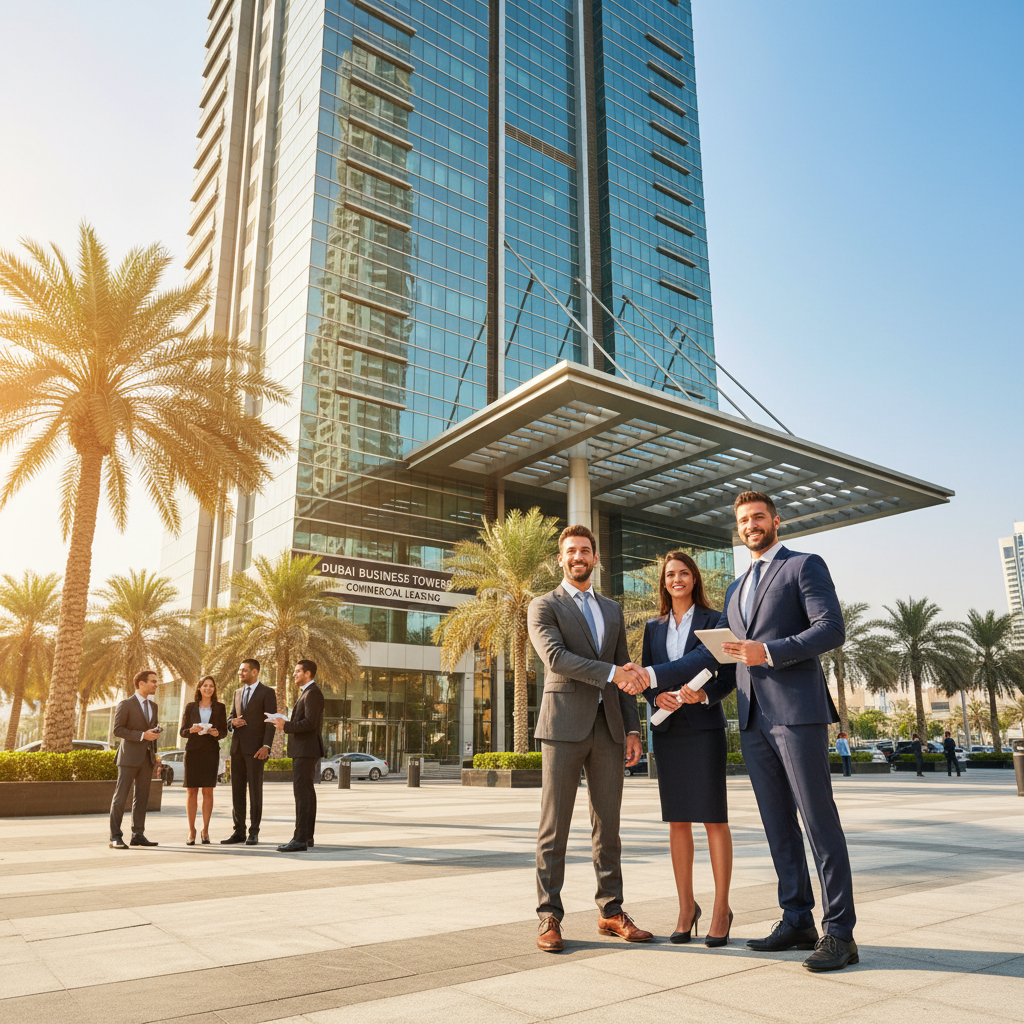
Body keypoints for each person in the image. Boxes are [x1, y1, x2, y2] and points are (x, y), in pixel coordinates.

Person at [640, 491, 858, 972]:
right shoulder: (738, 589)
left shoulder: (803, 565)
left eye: (758, 517)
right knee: (777, 823)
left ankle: (839, 931)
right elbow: (726, 661)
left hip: (798, 714)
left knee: (818, 821)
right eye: (743, 520)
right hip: (754, 720)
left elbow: (831, 629)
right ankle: (797, 917)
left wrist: (771, 651)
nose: (751, 525)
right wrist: (696, 691)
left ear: (775, 521)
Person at [527, 524, 653, 953]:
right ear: (560, 559)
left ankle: (611, 910)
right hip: (563, 726)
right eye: (571, 551)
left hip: (610, 729)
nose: (578, 557)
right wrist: (614, 674)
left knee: (608, 826)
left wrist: (634, 729)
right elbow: (556, 658)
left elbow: (627, 672)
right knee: (554, 825)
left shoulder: (613, 610)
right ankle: (549, 915)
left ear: (595, 559)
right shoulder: (543, 605)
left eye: (585, 551)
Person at [640, 551, 736, 946]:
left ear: (694, 579)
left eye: (683, 573)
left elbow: (729, 676)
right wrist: (654, 697)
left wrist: (705, 696)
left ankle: (720, 909)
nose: (676, 579)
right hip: (669, 731)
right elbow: (647, 674)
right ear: (663, 582)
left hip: (704, 729)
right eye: (670, 575)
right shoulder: (652, 626)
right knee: (678, 820)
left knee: (714, 818)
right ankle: (685, 907)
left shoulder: (716, 622)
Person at [222, 659, 277, 846]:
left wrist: (266, 746)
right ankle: (239, 832)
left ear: (255, 672)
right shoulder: (237, 693)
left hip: (256, 750)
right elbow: (230, 716)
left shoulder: (267, 692)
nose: (240, 673)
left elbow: (271, 721)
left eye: (244, 670)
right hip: (237, 749)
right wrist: (232, 723)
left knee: (255, 791)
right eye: (239, 670)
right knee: (236, 791)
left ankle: (254, 832)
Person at [274, 659, 326, 852]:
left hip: (306, 750)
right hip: (305, 750)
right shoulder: (307, 693)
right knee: (307, 793)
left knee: (302, 794)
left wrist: (284, 726)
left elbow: (309, 723)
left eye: (297, 671)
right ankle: (307, 836)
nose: (294, 674)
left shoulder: (312, 693)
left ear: (308, 674)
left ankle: (300, 838)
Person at [109, 669, 161, 849]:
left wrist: (154, 733)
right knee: (121, 797)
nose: (156, 685)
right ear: (141, 683)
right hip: (128, 758)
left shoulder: (153, 706)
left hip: (147, 758)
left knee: (142, 797)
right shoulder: (126, 704)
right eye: (153, 681)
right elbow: (118, 730)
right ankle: (115, 836)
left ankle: (138, 834)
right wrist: (141, 735)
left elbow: (149, 728)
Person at [179, 676, 228, 844]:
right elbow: (182, 731)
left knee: (208, 791)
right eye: (205, 685)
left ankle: (205, 830)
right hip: (193, 752)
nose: (208, 688)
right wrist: (191, 730)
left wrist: (216, 733)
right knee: (191, 791)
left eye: (211, 686)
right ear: (199, 688)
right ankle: (191, 830)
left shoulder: (220, 707)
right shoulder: (190, 707)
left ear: (214, 689)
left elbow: (224, 731)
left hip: (210, 752)